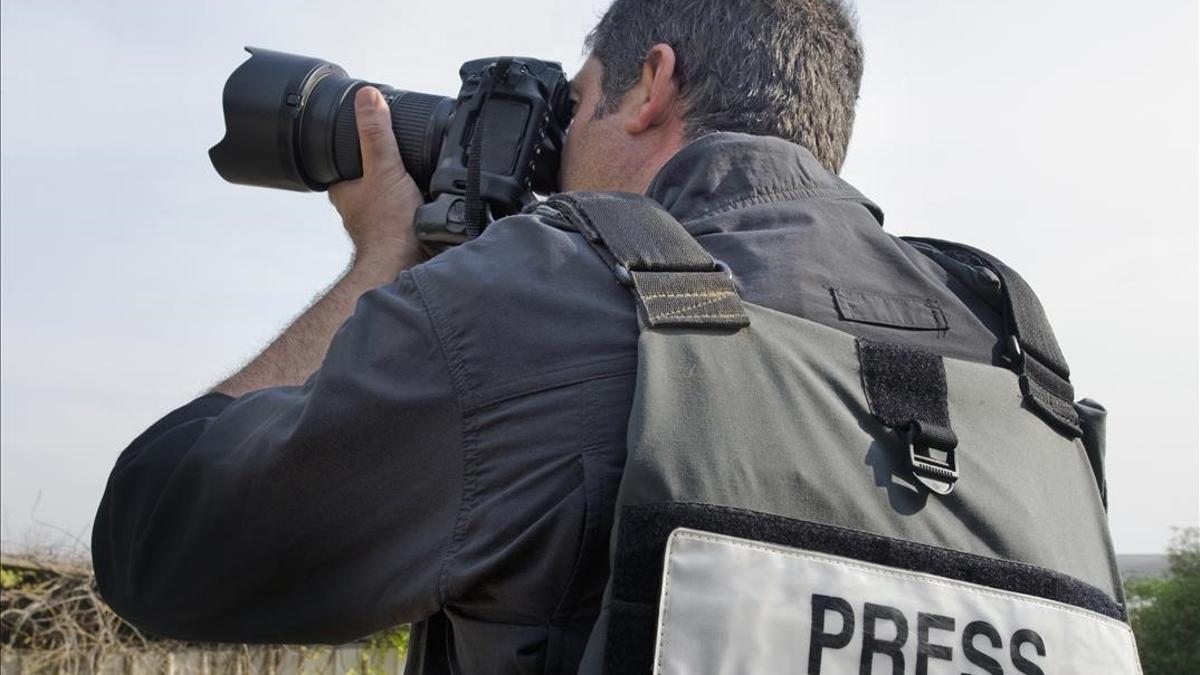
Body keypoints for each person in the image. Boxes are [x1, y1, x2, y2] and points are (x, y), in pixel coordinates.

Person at [93, 0, 1012, 672]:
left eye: (573, 108)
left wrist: (385, 259)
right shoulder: (1005, 351)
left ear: (651, 84)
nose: (558, 148)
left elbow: (160, 540)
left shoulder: (553, 302)